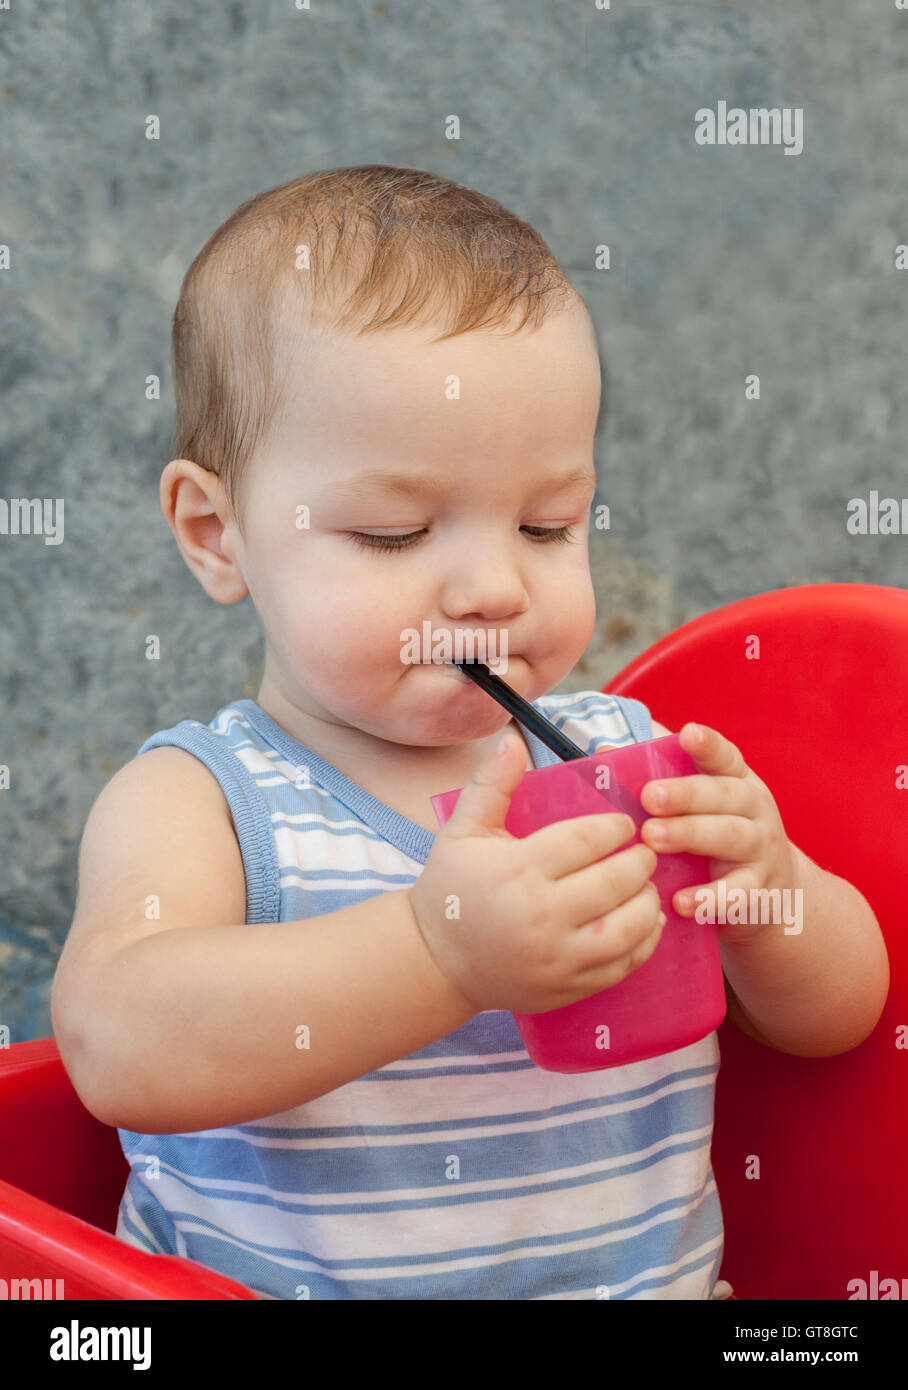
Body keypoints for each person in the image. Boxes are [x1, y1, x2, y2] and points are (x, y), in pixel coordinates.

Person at [50, 166, 889, 1300]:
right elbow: (117, 1047)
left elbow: (836, 1020)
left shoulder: (621, 759)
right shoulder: (204, 801)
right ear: (218, 534)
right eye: (394, 534)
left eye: (546, 525)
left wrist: (766, 888)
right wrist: (437, 953)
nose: (492, 587)